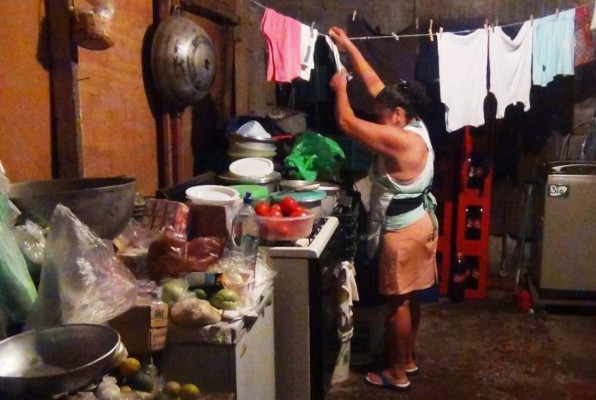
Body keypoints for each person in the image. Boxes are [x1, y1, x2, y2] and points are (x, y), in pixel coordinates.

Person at [328, 26, 438, 392]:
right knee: (411, 295)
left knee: (396, 303)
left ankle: (397, 373)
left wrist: (341, 88)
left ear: (397, 114)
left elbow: (346, 122)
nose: (378, 120)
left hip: (402, 233)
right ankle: (407, 359)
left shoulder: (401, 141)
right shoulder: (415, 125)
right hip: (421, 223)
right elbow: (376, 84)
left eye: (381, 116)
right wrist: (348, 47)